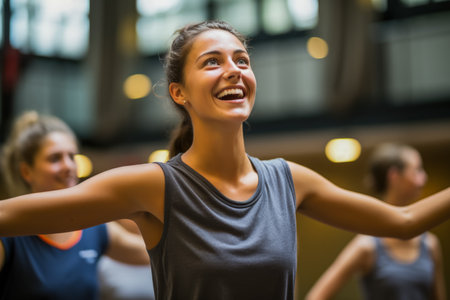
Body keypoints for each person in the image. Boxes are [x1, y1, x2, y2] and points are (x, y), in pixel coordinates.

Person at [0, 21, 449, 300]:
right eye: (212, 62)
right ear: (180, 93)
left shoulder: (289, 180)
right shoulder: (154, 186)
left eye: (242, 60)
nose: (234, 69)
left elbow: (406, 220)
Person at [0, 111, 150, 300]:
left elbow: (151, 252)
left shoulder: (94, 227)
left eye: (72, 157)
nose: (68, 166)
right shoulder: (9, 234)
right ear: (26, 171)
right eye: (55, 158)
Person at [305, 143, 446, 300]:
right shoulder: (367, 246)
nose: (423, 178)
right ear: (394, 176)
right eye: (417, 170)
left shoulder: (430, 245)